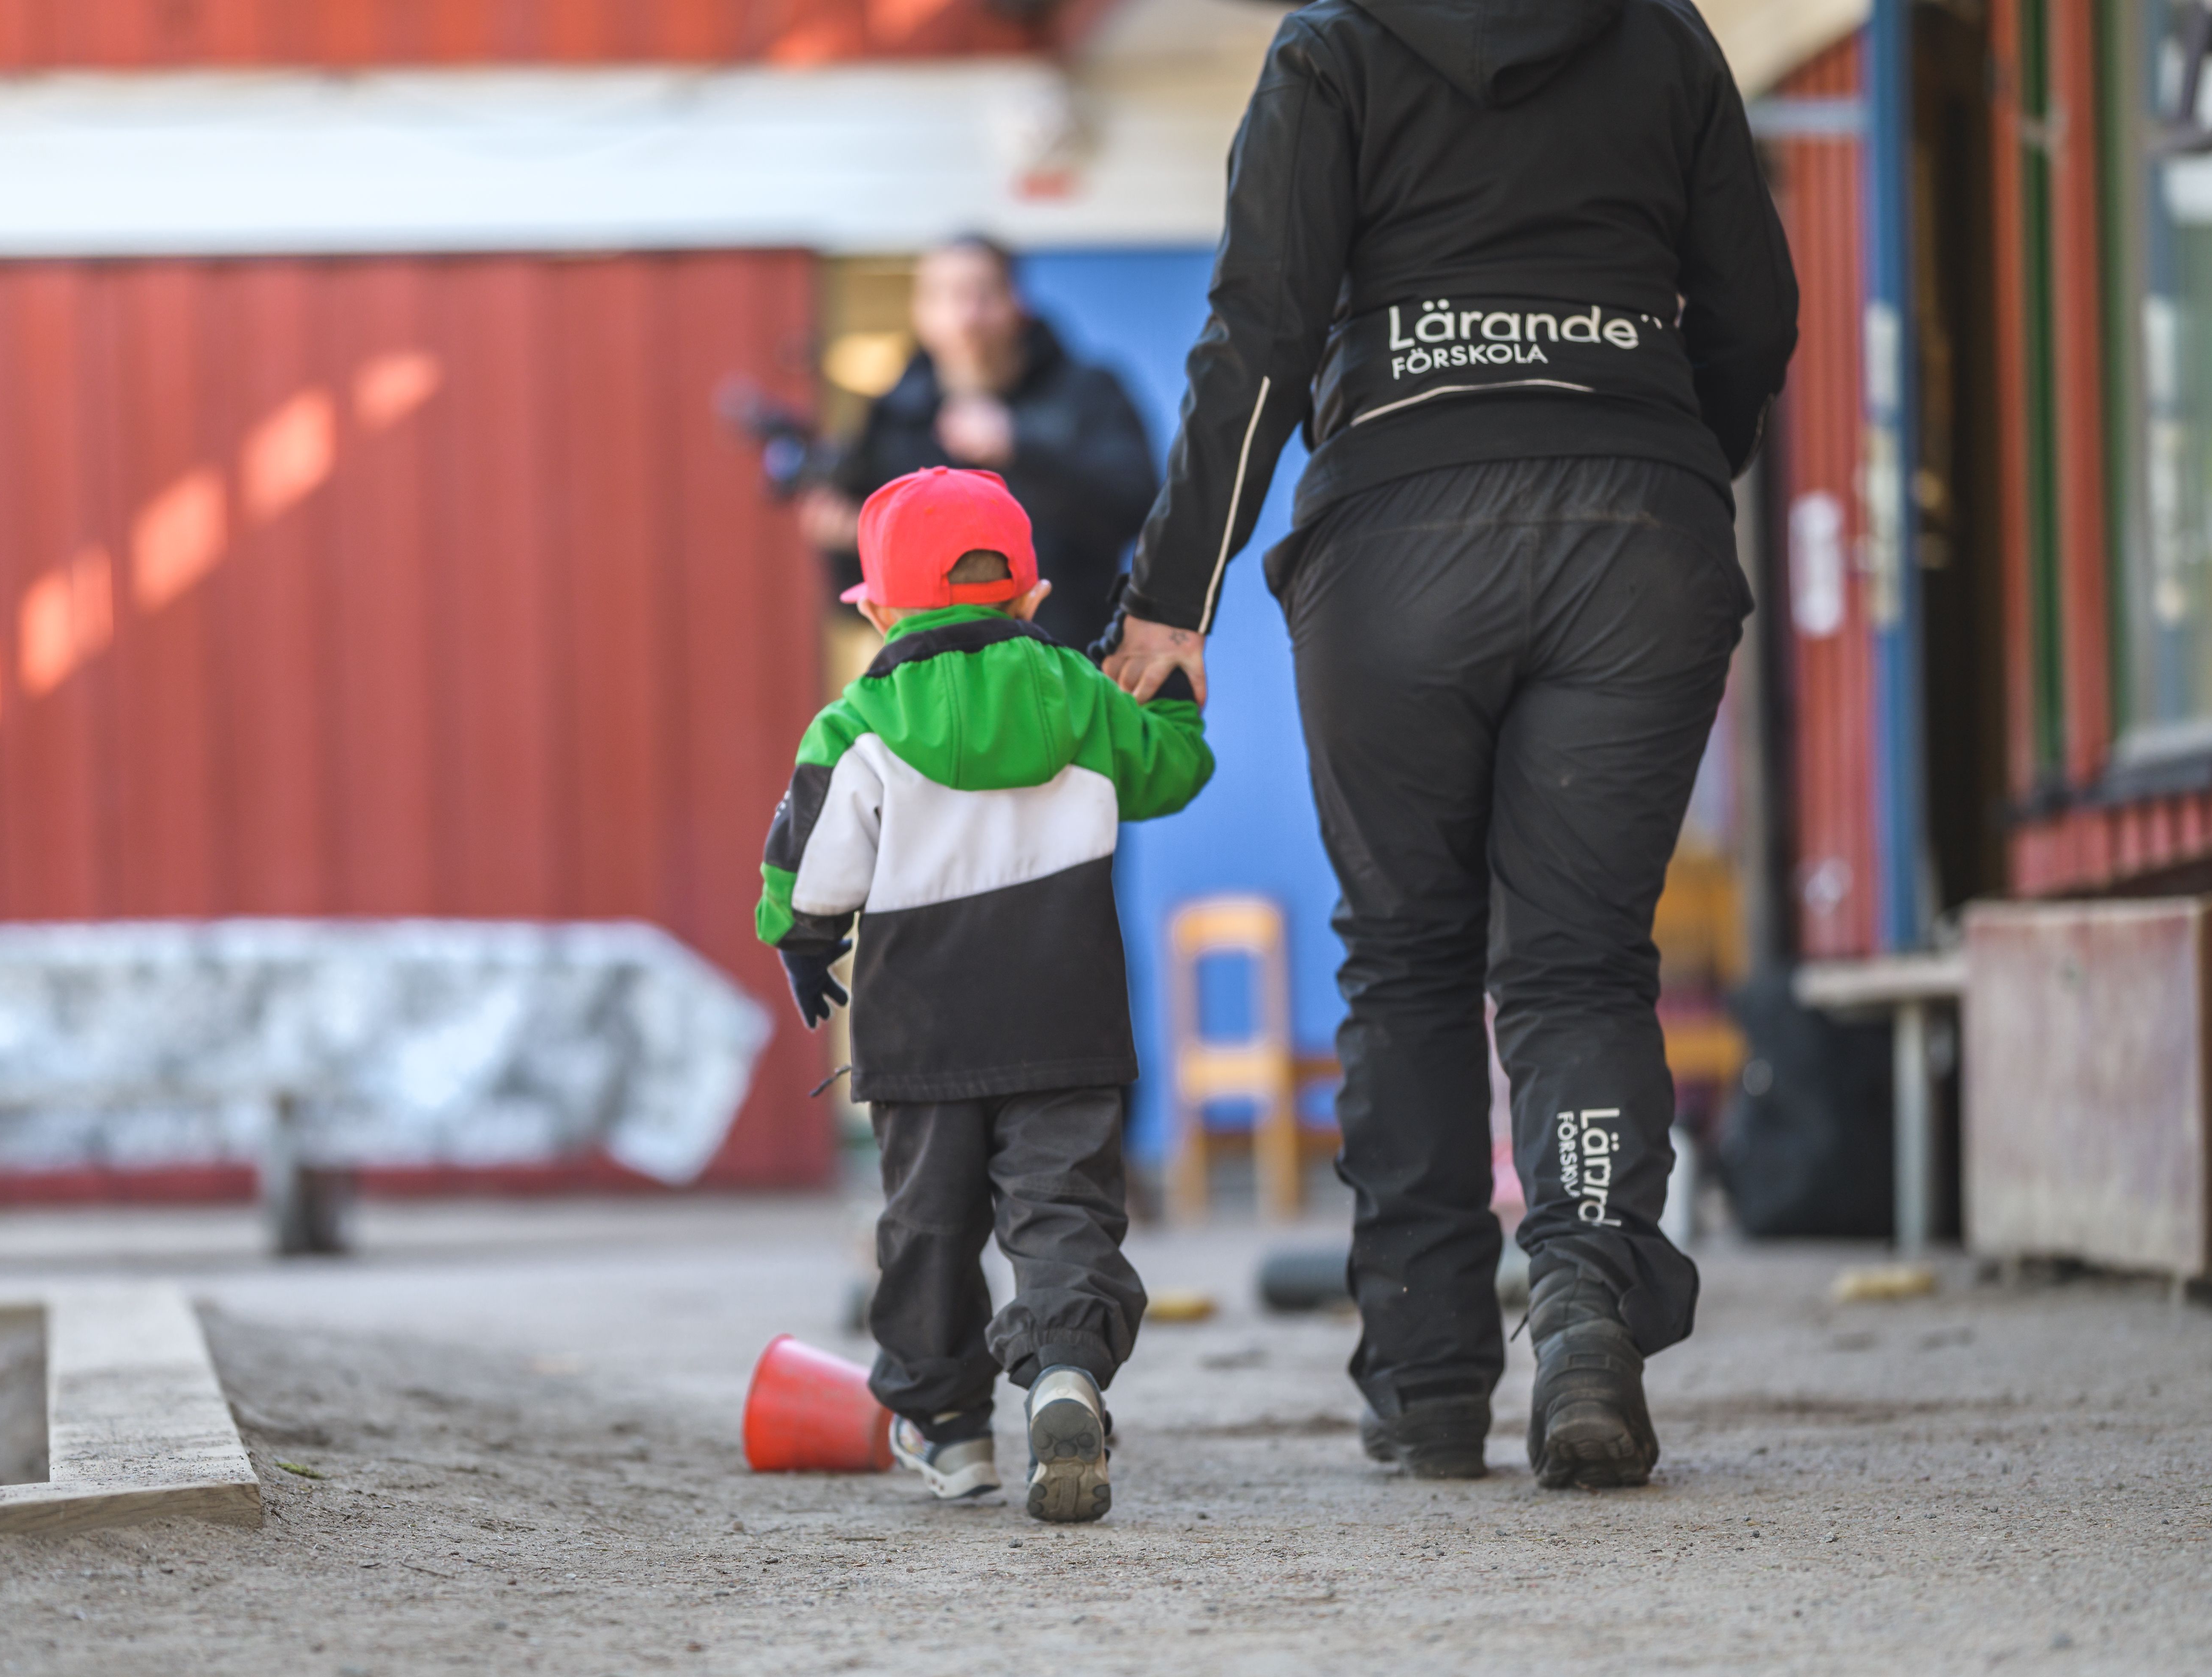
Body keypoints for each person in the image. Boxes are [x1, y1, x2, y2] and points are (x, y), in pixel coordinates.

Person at [1101, 0, 1798, 1489]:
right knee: (1580, 960)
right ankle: (1586, 1306)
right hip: (1636, 532)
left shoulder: (1332, 47)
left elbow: (1262, 328)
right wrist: (1669, 455)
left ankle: (1423, 1386)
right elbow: (1753, 309)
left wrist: (1171, 595)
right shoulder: (1660, 37)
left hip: (1397, 538)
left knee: (1406, 957)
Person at [756, 467, 1214, 1522]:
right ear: (1032, 601)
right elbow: (1172, 774)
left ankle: (950, 1427)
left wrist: (801, 939)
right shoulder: (1084, 697)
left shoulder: (856, 721)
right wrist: (1178, 694)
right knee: (1065, 1214)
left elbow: (809, 870)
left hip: (925, 1034)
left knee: (926, 1225)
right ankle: (1065, 1370)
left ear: (875, 609)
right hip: (1069, 1020)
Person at [800, 237, 1159, 652]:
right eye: (947, 296)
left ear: (1016, 303)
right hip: (943, 678)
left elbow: (1136, 510)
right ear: (921, 313)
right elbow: (858, 604)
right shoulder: (894, 417)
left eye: (983, 294)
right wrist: (842, 548)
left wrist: (1019, 450)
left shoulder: (1086, 391)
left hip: (1072, 663)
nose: (966, 317)